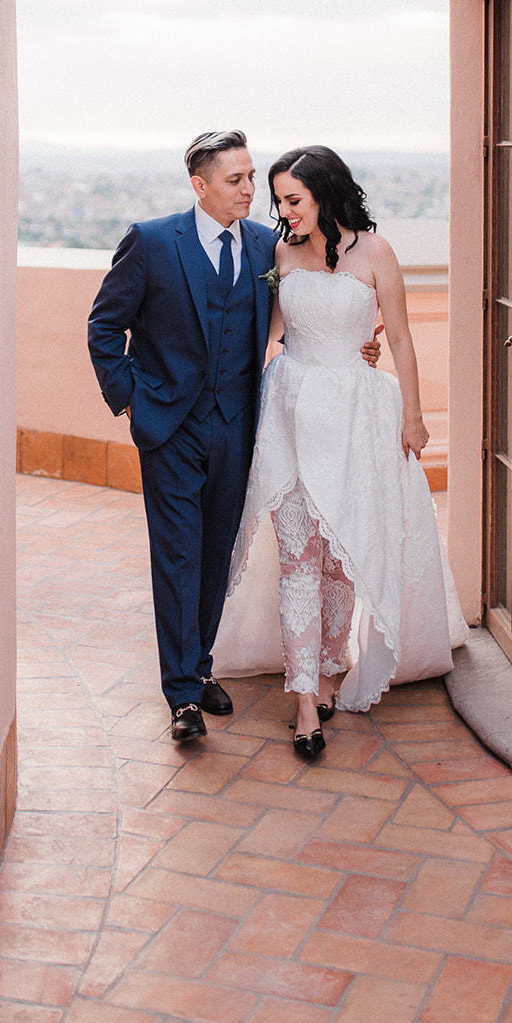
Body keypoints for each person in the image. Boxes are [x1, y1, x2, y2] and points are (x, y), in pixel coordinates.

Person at [87, 131, 380, 742]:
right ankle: (181, 697)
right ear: (200, 186)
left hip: (241, 426)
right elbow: (104, 327)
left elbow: (302, 316)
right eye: (237, 180)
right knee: (177, 557)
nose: (252, 190)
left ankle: (198, 668)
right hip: (170, 429)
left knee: (218, 555)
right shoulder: (150, 242)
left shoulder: (266, 246)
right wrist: (133, 403)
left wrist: (359, 345)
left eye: (252, 178)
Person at [221, 146, 467, 759]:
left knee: (341, 556)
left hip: (359, 419)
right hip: (292, 414)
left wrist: (412, 416)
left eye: (293, 199)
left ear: (325, 194)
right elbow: (270, 330)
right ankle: (305, 699)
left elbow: (402, 337)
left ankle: (332, 668)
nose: (283, 211)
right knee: (299, 561)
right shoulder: (278, 254)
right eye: (278, 200)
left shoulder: (377, 253)